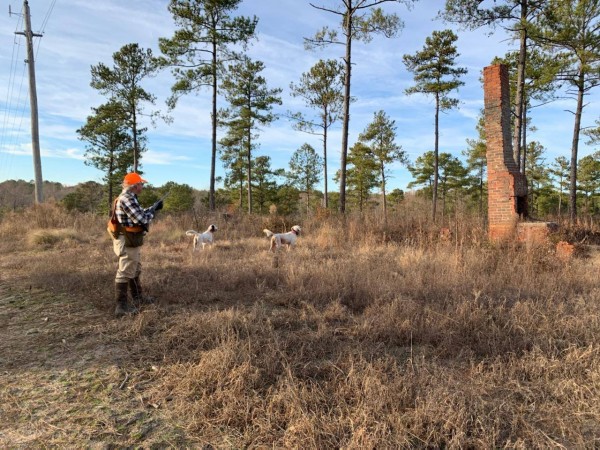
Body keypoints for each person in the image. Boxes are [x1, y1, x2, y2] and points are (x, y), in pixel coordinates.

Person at [111, 172, 163, 317]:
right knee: (126, 270)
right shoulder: (127, 198)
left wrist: (152, 208)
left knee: (134, 267)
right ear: (135, 186)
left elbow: (138, 214)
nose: (142, 186)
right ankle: (121, 307)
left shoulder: (130, 197)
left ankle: (138, 298)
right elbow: (141, 219)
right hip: (127, 240)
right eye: (141, 184)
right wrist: (154, 213)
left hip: (130, 239)